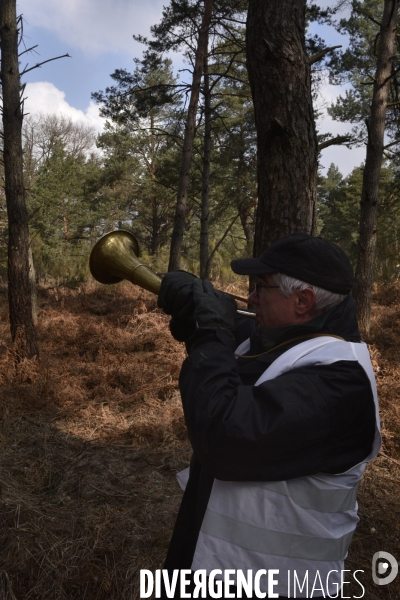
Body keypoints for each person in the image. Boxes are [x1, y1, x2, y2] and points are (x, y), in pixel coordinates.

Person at [157, 233, 380, 599]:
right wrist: (194, 316)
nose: (251, 296)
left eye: (261, 287)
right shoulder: (279, 340)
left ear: (303, 301)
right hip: (218, 569)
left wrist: (211, 333)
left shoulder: (339, 384)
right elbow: (236, 357)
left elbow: (224, 436)